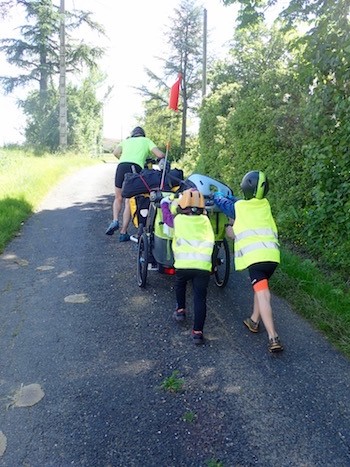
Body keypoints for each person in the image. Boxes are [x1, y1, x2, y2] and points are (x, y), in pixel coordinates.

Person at [214, 170, 283, 353]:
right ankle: (254, 320)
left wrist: (217, 194)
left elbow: (222, 202)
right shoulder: (265, 205)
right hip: (272, 257)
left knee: (263, 294)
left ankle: (273, 337)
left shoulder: (239, 208)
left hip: (256, 258)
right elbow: (240, 202)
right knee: (261, 289)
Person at [161, 189, 215, 345]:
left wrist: (165, 203)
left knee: (180, 285)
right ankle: (198, 332)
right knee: (200, 298)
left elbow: (167, 219)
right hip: (202, 265)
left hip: (183, 264)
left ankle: (180, 310)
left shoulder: (178, 220)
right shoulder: (206, 221)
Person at [105, 126, 165, 242]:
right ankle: (123, 232)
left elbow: (115, 152)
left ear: (133, 134)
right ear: (142, 134)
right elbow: (160, 155)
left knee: (118, 197)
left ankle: (115, 220)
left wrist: (123, 158)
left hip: (121, 166)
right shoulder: (146, 141)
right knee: (129, 200)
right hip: (134, 168)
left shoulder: (126, 141)